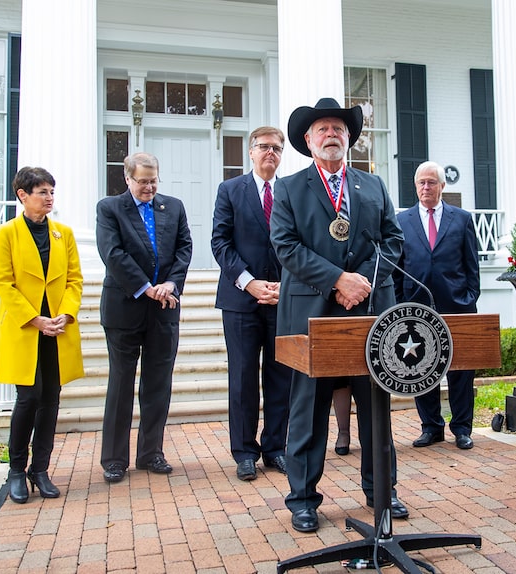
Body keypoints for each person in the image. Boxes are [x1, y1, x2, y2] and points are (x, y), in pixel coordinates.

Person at [270, 97, 407, 533]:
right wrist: (337, 280)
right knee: (308, 410)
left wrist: (360, 280)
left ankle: (382, 492)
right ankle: (304, 498)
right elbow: (286, 246)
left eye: (339, 129)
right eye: (322, 129)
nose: (332, 134)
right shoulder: (290, 188)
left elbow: (393, 241)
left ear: (349, 138)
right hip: (311, 312)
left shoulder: (374, 185)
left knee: (376, 406)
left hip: (370, 310)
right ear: (308, 141)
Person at [96, 152, 193, 483]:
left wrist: (170, 284)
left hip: (164, 308)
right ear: (128, 179)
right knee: (121, 385)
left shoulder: (174, 207)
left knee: (158, 384)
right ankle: (114, 459)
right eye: (143, 182)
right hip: (125, 308)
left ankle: (151, 452)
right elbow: (113, 254)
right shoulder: (109, 209)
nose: (150, 187)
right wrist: (145, 287)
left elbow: (184, 248)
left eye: (154, 181)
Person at [0, 166, 84, 504]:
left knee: (51, 399)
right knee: (28, 397)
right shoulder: (7, 235)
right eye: (42, 192)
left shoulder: (64, 234)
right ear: (22, 195)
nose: (49, 198)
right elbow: (4, 284)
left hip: (57, 329)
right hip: (26, 329)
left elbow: (75, 279)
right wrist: (36, 319)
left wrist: (66, 313)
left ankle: (40, 469)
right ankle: (17, 470)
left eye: (51, 192)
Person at [211, 126, 292, 481]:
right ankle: (244, 451)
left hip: (284, 299)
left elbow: (297, 244)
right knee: (243, 377)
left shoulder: (289, 193)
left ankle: (275, 447)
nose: (270, 153)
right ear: (250, 151)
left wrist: (284, 286)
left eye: (276, 148)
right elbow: (220, 243)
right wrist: (250, 283)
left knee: (282, 378)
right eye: (264, 147)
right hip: (241, 300)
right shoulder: (230, 190)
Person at [393, 161, 480, 450]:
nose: (426, 187)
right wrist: (399, 304)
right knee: (420, 367)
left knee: (461, 370)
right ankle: (431, 427)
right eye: (421, 182)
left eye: (432, 182)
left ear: (442, 186)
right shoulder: (402, 221)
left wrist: (468, 299)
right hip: (415, 308)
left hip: (457, 305)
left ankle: (462, 428)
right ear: (415, 186)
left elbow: (472, 266)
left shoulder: (462, 219)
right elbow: (397, 267)